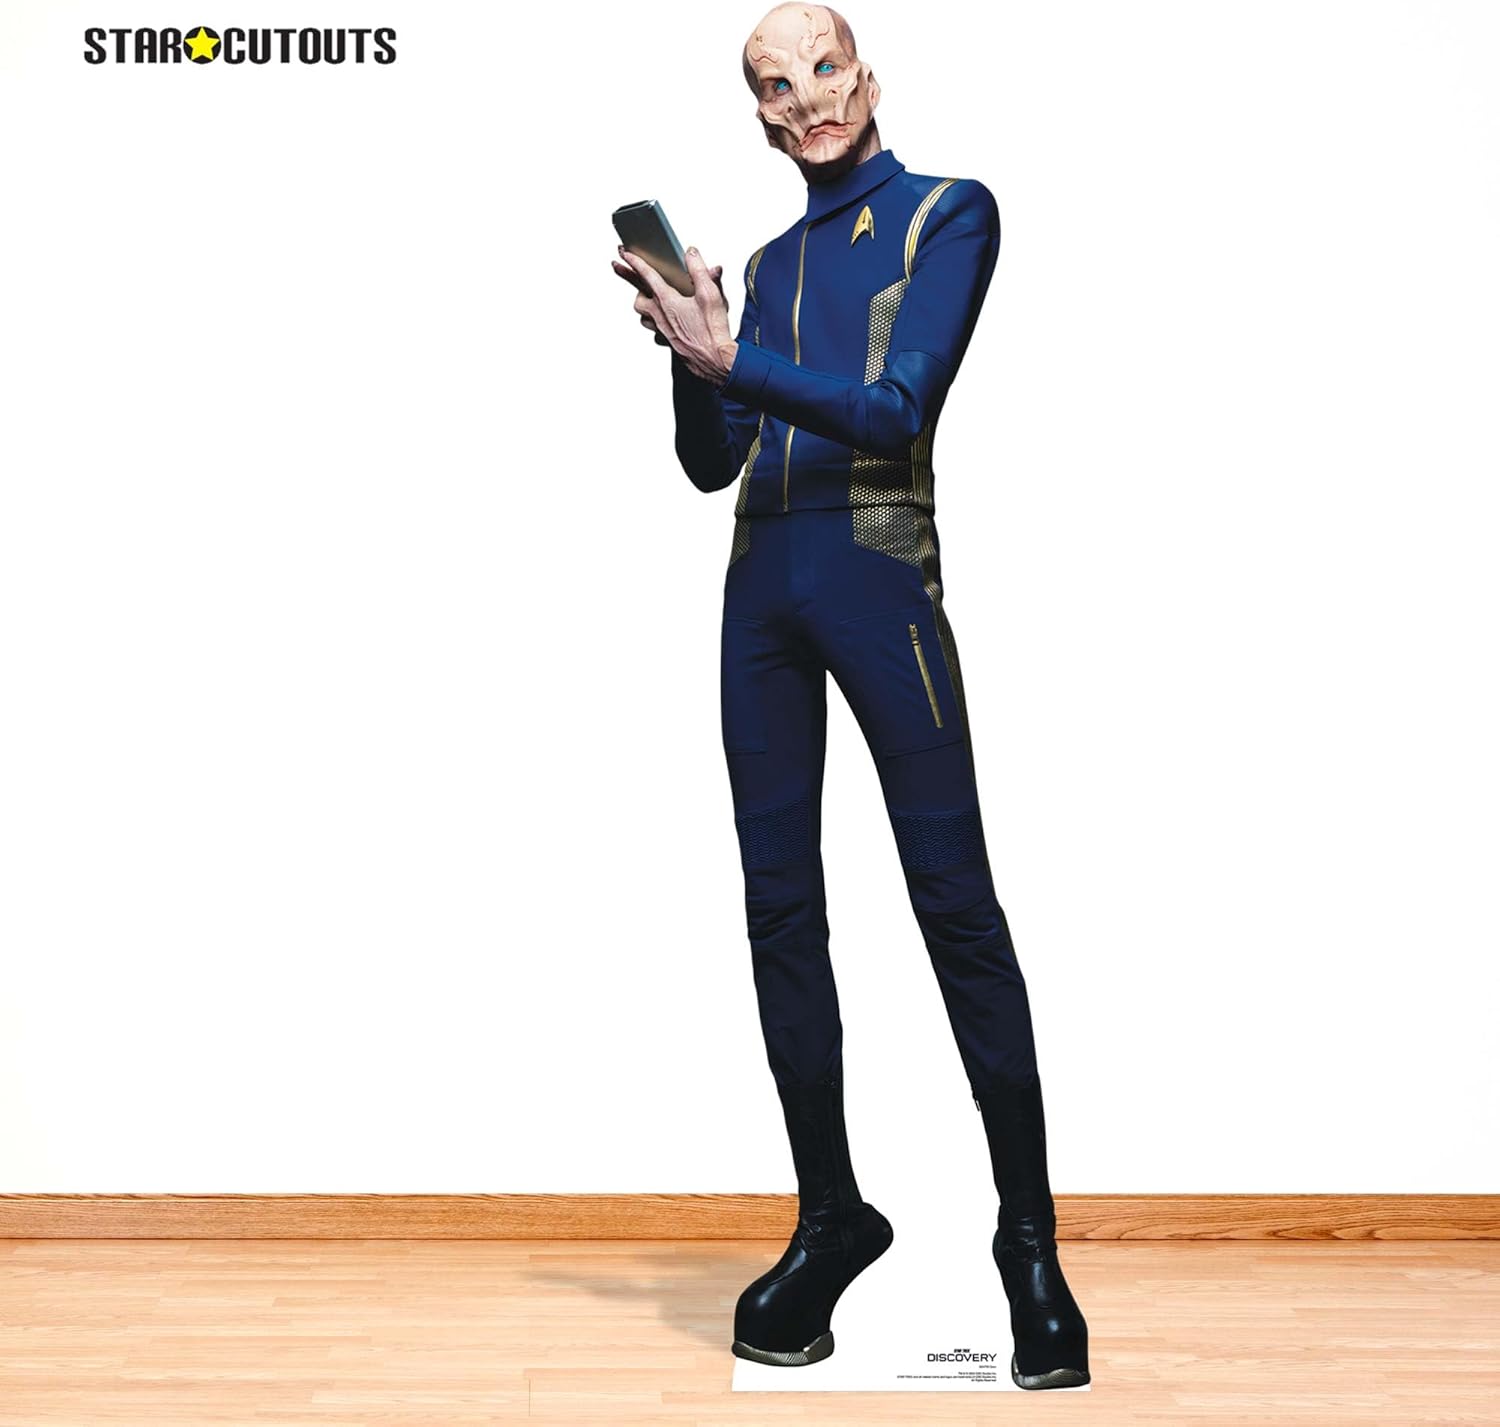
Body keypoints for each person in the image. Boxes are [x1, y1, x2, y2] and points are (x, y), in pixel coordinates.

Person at [612, 2, 1089, 1390]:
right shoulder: (766, 267)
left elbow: (896, 409)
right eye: (777, 83)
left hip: (881, 584)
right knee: (779, 908)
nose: (808, 95)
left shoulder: (951, 212)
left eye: (825, 66)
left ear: (867, 79)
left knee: (956, 906)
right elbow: (716, 463)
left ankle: (1029, 1245)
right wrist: (693, 355)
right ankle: (832, 1215)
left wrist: (735, 360)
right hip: (758, 595)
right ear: (761, 117)